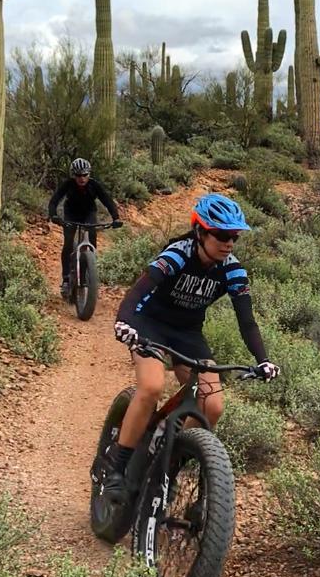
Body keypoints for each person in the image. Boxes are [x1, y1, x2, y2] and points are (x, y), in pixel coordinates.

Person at [103, 193, 279, 502]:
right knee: (152, 386)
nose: (229, 243)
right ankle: (115, 469)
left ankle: (168, 467)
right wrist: (124, 323)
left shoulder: (233, 270)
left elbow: (247, 322)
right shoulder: (178, 254)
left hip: (187, 333)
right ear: (200, 231)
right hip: (150, 325)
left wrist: (263, 360)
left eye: (234, 237)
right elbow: (138, 291)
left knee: (212, 405)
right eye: (222, 235)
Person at [48, 158, 121, 299]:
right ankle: (66, 278)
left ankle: (89, 268)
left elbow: (107, 201)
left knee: (92, 237)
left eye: (85, 175)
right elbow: (54, 200)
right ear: (73, 175)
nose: (82, 178)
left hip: (88, 212)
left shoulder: (94, 185)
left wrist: (116, 217)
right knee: (68, 242)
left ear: (89, 174)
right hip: (71, 213)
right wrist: (54, 215)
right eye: (78, 175)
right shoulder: (68, 185)